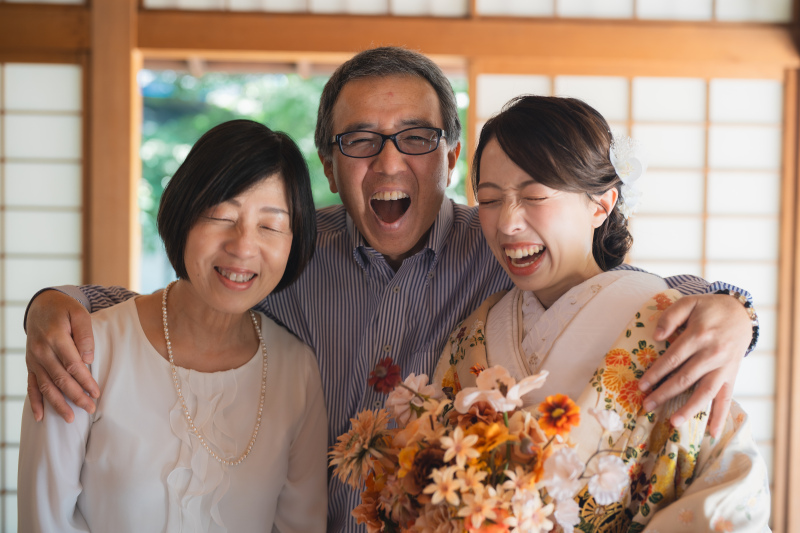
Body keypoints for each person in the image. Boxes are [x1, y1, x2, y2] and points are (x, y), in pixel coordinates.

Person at [23, 47, 756, 532]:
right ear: (329, 161)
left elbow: (617, 288)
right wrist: (55, 304)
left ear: (451, 154)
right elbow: (194, 289)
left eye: (415, 136)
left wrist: (732, 307)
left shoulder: (504, 246)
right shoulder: (291, 248)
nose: (388, 162)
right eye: (359, 140)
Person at [434, 96, 769, 531]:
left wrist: (736, 310)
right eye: (490, 199)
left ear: (601, 204)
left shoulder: (669, 325)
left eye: (534, 194)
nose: (507, 224)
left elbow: (727, 495)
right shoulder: (472, 334)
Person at [18, 120, 327, 532]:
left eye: (270, 226)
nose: (243, 246)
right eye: (221, 215)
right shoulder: (86, 350)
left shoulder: (297, 370)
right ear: (183, 215)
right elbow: (44, 521)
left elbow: (300, 525)